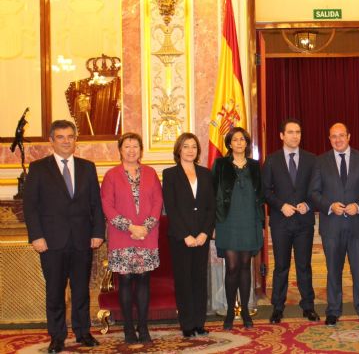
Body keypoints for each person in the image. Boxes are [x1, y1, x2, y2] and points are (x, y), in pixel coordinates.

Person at [23, 120, 104, 354]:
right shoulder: (38, 168)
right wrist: (36, 236)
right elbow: (31, 207)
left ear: (75, 140)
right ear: (51, 140)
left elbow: (95, 204)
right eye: (61, 137)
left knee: (81, 289)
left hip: (82, 239)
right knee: (55, 291)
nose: (66, 141)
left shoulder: (88, 167)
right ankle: (57, 336)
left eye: (70, 136)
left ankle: (83, 332)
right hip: (51, 242)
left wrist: (98, 232)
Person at [309, 122, 359, 326]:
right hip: (332, 225)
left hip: (358, 225)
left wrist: (358, 206)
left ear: (349, 136)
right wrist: (330, 206)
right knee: (333, 270)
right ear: (329, 139)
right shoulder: (320, 161)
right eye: (333, 136)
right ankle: (333, 310)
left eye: (341, 135)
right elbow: (314, 192)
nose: (338, 139)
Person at [101, 132, 163, 344]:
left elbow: (157, 203)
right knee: (125, 281)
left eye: (135, 146)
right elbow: (107, 206)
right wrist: (129, 227)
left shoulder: (151, 173)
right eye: (127, 146)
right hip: (122, 235)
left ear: (141, 150)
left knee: (144, 280)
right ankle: (128, 327)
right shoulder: (111, 175)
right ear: (120, 150)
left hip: (146, 235)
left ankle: (143, 327)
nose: (131, 150)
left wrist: (144, 227)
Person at [262, 118, 319, 324]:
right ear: (282, 135)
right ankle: (278, 307)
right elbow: (265, 191)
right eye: (291, 132)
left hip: (304, 221)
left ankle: (308, 306)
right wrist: (280, 205)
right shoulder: (271, 160)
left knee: (304, 265)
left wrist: (309, 204)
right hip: (280, 222)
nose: (295, 136)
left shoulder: (312, 159)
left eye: (298, 132)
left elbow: (317, 189)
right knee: (281, 266)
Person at [162, 133, 215, 338]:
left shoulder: (205, 173)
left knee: (200, 280)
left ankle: (199, 323)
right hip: (180, 238)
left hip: (201, 237)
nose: (190, 150)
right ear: (179, 150)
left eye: (194, 146)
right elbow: (171, 208)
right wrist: (186, 235)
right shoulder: (170, 174)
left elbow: (210, 207)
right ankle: (187, 324)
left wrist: (204, 233)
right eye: (186, 146)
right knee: (184, 281)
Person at [212, 127, 264, 330]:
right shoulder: (220, 164)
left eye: (243, 139)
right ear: (229, 143)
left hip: (249, 220)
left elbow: (260, 196)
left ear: (246, 143)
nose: (239, 143)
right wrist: (213, 224)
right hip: (227, 221)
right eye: (235, 139)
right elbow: (213, 194)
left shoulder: (254, 165)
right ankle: (230, 313)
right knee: (232, 267)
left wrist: (260, 224)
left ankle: (244, 312)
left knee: (245, 266)